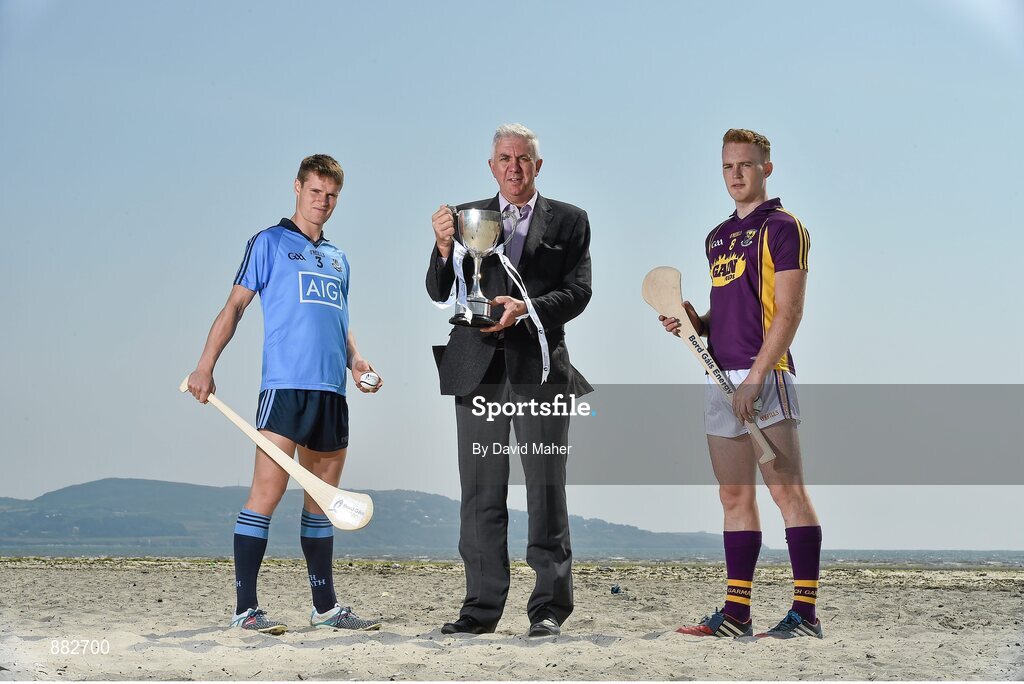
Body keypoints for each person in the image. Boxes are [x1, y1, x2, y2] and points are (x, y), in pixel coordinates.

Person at [186, 155, 382, 634]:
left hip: (331, 393)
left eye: (332, 195)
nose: (323, 202)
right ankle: (246, 610)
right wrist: (205, 365)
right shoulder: (268, 243)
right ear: (297, 188)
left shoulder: (339, 258)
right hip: (285, 389)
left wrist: (356, 360)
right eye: (315, 192)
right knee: (266, 496)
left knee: (322, 503)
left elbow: (338, 320)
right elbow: (234, 307)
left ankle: (325, 609)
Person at [426, 123, 592, 637]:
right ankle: (479, 608)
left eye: (524, 158)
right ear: (491, 165)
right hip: (476, 369)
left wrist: (527, 310)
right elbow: (438, 290)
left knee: (546, 489)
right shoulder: (464, 218)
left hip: (540, 369)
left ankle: (547, 608)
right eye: (505, 157)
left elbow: (580, 291)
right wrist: (440, 246)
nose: (514, 166)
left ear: (537, 166)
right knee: (479, 492)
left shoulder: (569, 220)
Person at [661, 129, 823, 639]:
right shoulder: (716, 237)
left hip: (766, 374)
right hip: (718, 374)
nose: (736, 174)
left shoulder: (783, 227)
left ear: (766, 168)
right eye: (728, 166)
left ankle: (805, 615)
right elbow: (732, 310)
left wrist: (755, 376)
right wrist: (696, 322)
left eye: (746, 165)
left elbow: (789, 311)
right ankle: (737, 615)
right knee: (733, 497)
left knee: (786, 492)